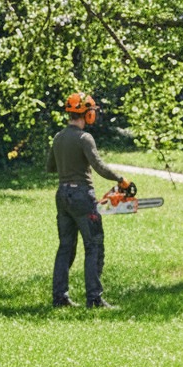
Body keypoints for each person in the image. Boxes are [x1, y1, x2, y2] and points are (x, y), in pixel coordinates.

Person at [47, 92, 130, 309]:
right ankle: (94, 298)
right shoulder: (85, 138)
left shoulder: (58, 137)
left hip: (62, 195)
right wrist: (121, 180)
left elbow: (50, 167)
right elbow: (99, 166)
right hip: (82, 196)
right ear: (86, 113)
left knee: (66, 247)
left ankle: (60, 297)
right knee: (94, 245)